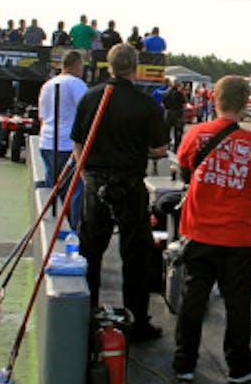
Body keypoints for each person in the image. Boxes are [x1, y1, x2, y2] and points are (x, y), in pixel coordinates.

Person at [172, 77, 251, 383]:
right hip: (236, 235)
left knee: (193, 298)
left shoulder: (196, 134)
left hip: (198, 230)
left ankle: (184, 362)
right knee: (237, 303)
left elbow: (186, 169)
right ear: (245, 103)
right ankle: (239, 365)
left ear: (214, 99)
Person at [71, 44, 169, 341]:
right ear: (135, 68)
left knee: (91, 252)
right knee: (135, 256)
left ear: (108, 66)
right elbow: (160, 149)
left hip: (96, 184)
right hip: (129, 185)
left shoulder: (90, 97)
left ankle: (85, 317)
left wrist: (86, 174)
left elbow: (77, 144)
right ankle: (137, 322)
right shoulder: (145, 104)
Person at [37, 50, 88, 231]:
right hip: (68, 145)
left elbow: (41, 117)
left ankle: (54, 227)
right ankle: (72, 230)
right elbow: (87, 112)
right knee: (74, 192)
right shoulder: (76, 84)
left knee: (54, 189)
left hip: (47, 142)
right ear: (76, 65)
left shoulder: (47, 85)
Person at [162, 80, 188, 152]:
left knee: (166, 132)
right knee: (178, 133)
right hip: (177, 114)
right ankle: (176, 148)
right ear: (177, 85)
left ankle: (167, 147)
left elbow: (162, 104)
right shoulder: (179, 94)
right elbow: (184, 104)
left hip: (168, 114)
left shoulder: (166, 93)